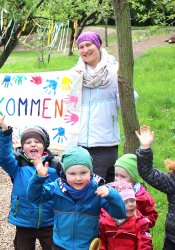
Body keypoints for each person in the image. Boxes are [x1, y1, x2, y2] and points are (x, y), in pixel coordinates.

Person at [27, 146, 126, 250]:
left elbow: (119, 214)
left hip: (87, 246)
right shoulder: (56, 188)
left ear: (90, 172)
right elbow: (34, 198)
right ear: (64, 173)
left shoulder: (98, 190)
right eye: (72, 173)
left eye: (83, 173)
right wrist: (38, 178)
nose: (78, 178)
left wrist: (112, 195)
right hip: (60, 245)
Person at [0, 110, 61, 250]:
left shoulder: (54, 165)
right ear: (22, 147)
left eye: (37, 141)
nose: (33, 144)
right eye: (28, 142)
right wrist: (5, 132)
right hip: (24, 220)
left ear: (44, 146)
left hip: (49, 220)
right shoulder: (17, 165)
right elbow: (4, 157)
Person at [74, 31, 120, 183]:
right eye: (81, 46)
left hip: (105, 143)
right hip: (79, 142)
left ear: (98, 45)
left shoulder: (114, 71)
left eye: (89, 44)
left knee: (101, 187)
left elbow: (126, 102)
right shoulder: (74, 75)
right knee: (80, 187)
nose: (85, 50)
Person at [99, 180, 153, 250]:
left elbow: (145, 245)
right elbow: (101, 244)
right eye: (125, 202)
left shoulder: (140, 223)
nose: (131, 204)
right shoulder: (104, 222)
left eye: (133, 200)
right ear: (114, 206)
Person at [113, 154, 159, 228]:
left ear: (133, 177)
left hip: (135, 234)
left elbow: (152, 217)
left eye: (123, 176)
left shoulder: (142, 196)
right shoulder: (112, 191)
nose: (118, 179)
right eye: (116, 175)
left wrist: (139, 222)